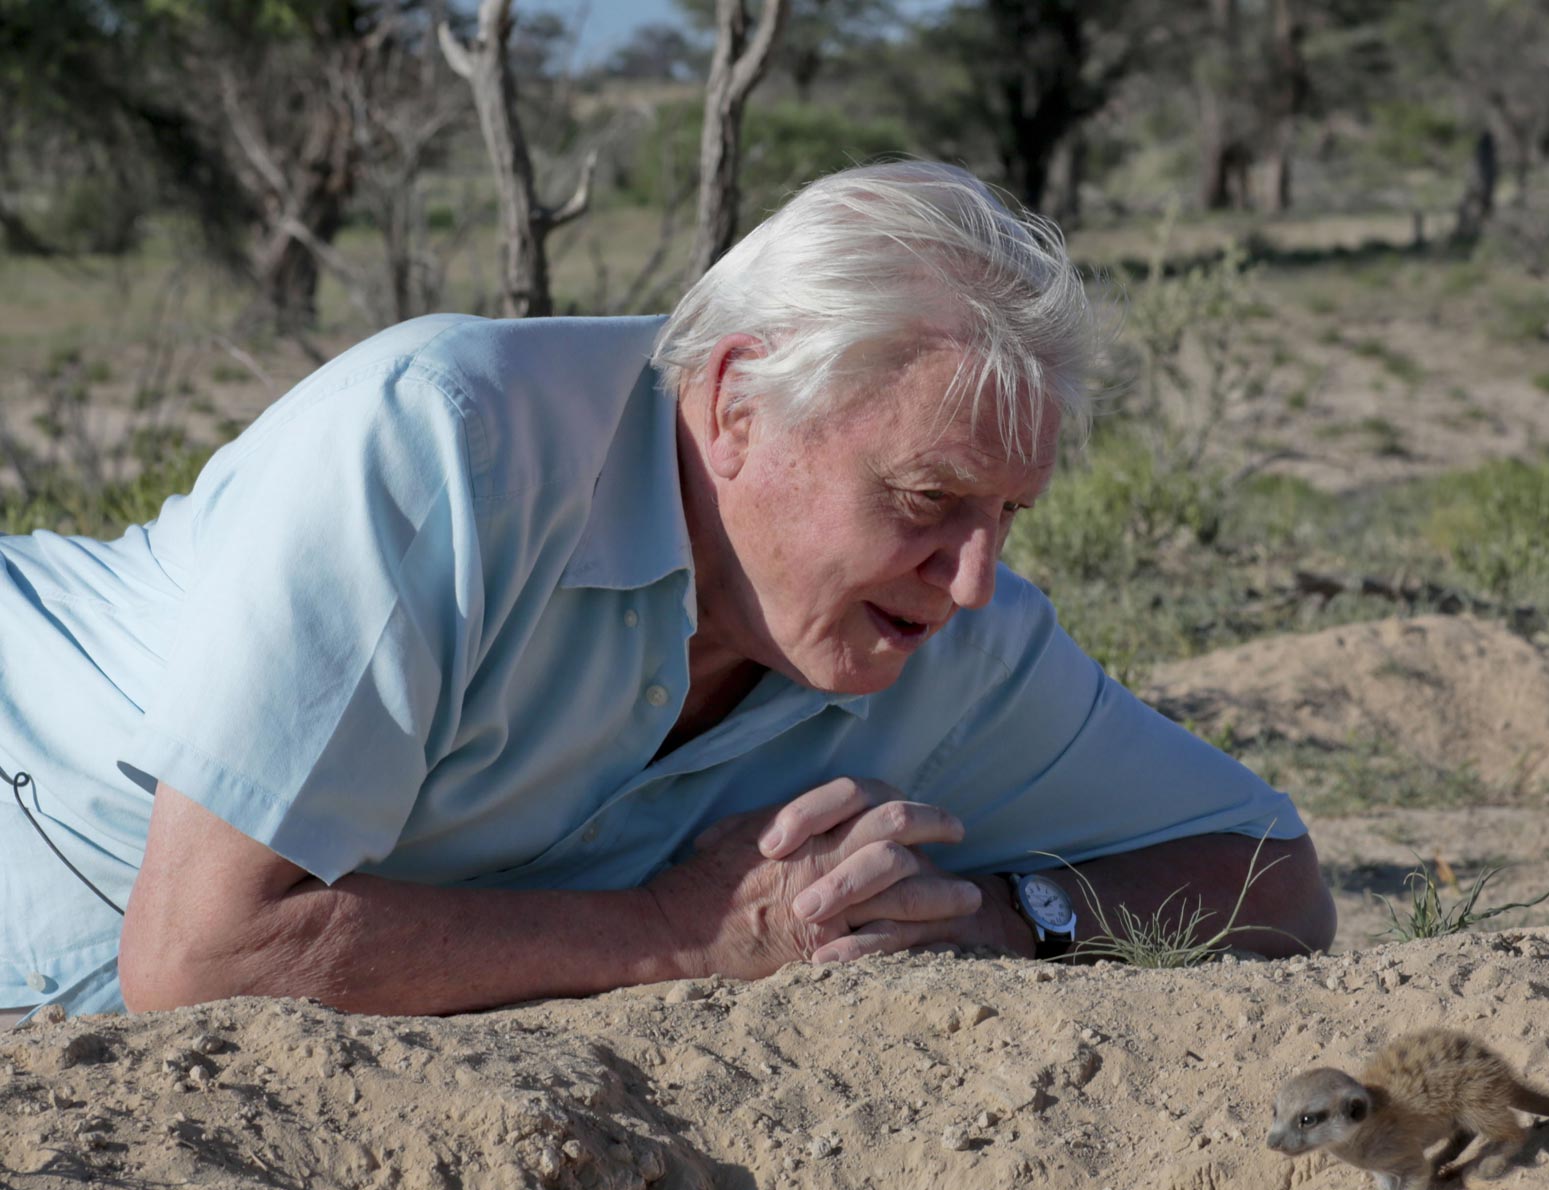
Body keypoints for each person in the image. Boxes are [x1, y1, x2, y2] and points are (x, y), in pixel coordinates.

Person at [0, 161, 1333, 1026]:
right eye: (929, 506)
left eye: (1005, 519)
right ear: (737, 405)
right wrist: (674, 931)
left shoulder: (948, 637)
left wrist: (1011, 917)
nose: (974, 579)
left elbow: (1275, 881)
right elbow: (198, 966)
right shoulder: (443, 446)